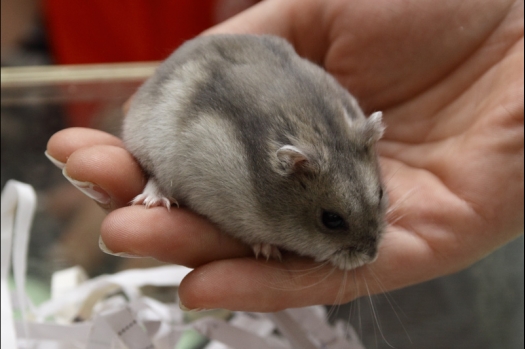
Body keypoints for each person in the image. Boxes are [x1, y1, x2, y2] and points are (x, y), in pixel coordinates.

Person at [46, 0, 523, 346]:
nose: (370, 249)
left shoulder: (353, 123)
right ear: (292, 172)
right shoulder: (257, 178)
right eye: (331, 222)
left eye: (378, 198)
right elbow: (199, 147)